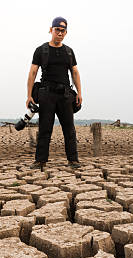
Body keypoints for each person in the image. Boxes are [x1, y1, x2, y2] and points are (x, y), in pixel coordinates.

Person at [26, 16, 82, 170]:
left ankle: (73, 160)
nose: (60, 33)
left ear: (66, 32)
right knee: (45, 129)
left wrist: (79, 93)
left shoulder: (69, 52)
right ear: (51, 30)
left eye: (63, 30)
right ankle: (40, 161)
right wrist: (29, 95)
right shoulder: (41, 50)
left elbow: (75, 72)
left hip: (65, 95)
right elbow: (32, 73)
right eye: (57, 29)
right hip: (47, 95)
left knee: (69, 129)